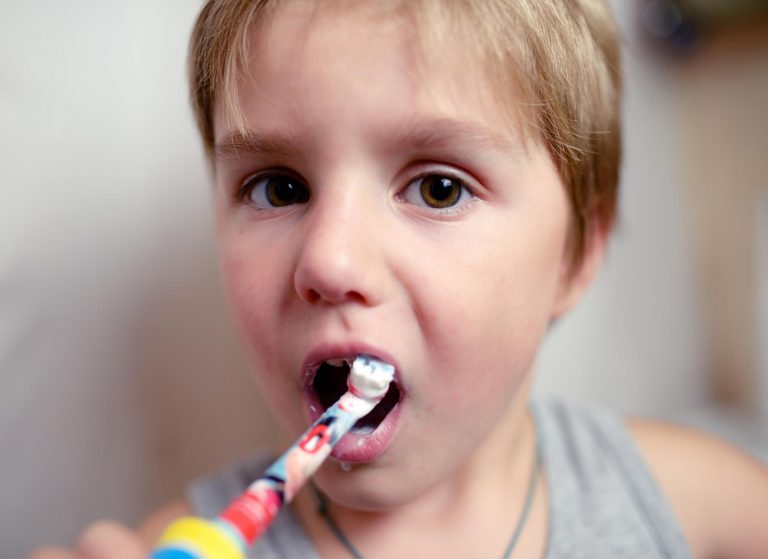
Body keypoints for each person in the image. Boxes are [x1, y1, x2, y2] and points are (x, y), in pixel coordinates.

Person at [31, 1, 768, 558]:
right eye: (280, 188)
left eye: (439, 188)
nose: (329, 261)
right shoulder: (189, 541)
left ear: (574, 257)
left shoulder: (692, 502)